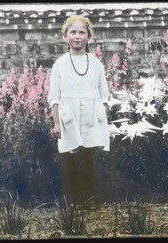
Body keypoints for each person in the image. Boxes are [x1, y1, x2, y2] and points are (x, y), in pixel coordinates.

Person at [47, 15, 110, 206]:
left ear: (88, 36)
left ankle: (92, 198)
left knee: (89, 156)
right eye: (72, 32)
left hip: (92, 115)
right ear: (65, 36)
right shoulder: (60, 64)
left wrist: (102, 117)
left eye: (82, 32)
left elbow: (104, 95)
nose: (77, 36)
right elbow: (54, 97)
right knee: (72, 157)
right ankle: (74, 200)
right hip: (69, 115)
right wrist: (57, 123)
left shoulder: (96, 64)